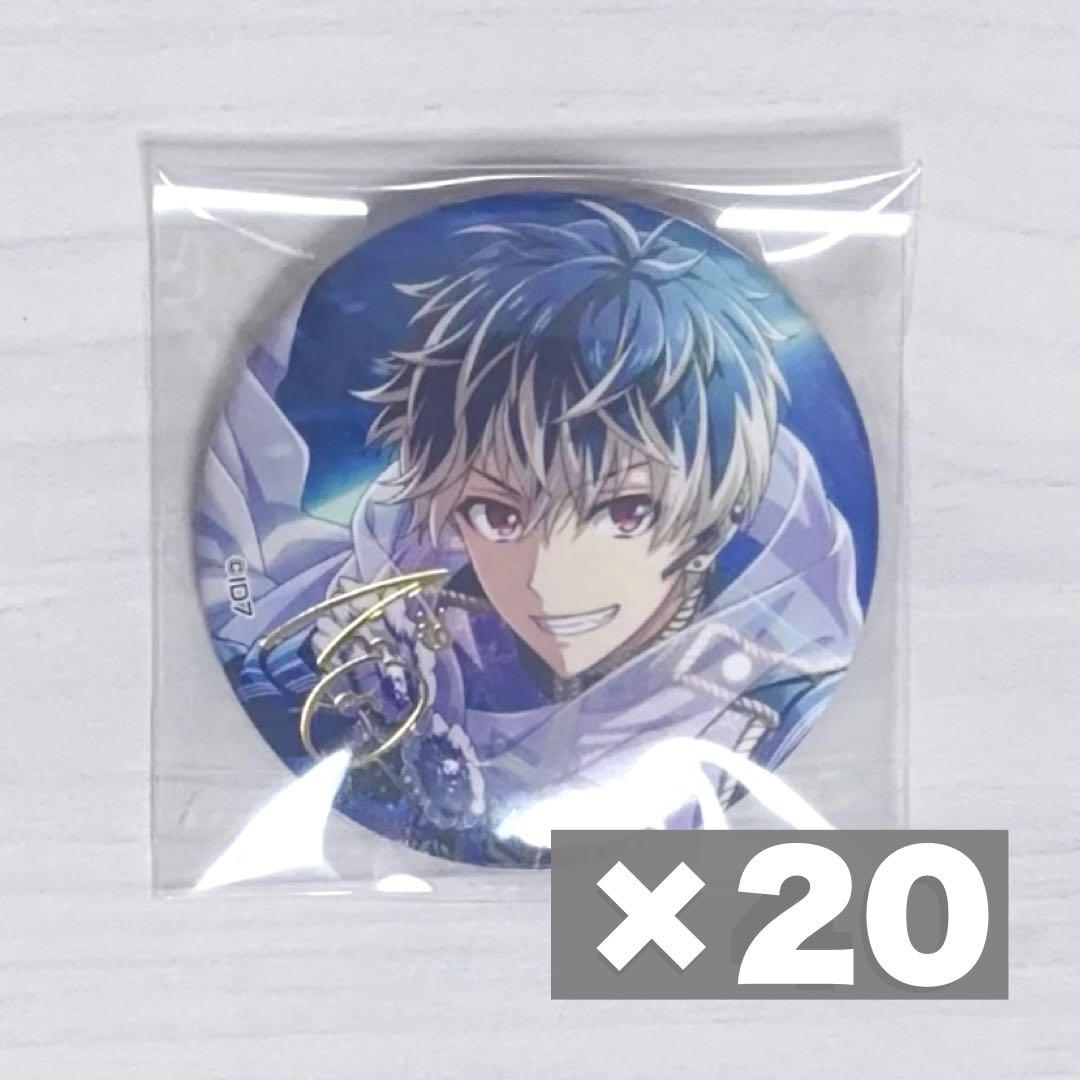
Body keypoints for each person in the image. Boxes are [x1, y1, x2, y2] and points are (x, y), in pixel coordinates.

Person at [197, 197, 863, 866]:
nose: (547, 579)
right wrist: (348, 680)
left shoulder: (770, 706)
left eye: (623, 513)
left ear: (717, 518)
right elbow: (266, 682)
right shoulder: (418, 622)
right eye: (498, 515)